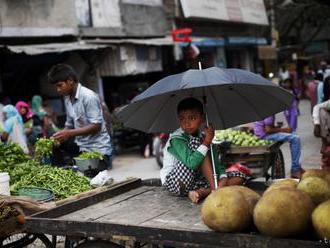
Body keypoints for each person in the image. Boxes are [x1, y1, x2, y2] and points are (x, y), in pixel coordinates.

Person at [160, 97, 247, 203]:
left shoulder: (202, 136)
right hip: (176, 182)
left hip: (195, 181)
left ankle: (202, 192)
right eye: (182, 119)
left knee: (239, 177)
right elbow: (191, 163)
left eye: (192, 118)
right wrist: (206, 142)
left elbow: (215, 163)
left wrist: (223, 178)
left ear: (202, 118)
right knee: (200, 146)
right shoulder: (176, 139)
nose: (186, 123)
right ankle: (215, 190)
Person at [48, 63, 113, 171]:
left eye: (60, 85)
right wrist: (60, 136)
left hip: (98, 151)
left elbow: (96, 126)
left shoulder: (88, 97)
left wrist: (68, 133)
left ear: (70, 81)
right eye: (56, 87)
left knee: (97, 184)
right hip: (82, 148)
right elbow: (69, 125)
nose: (58, 90)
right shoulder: (67, 99)